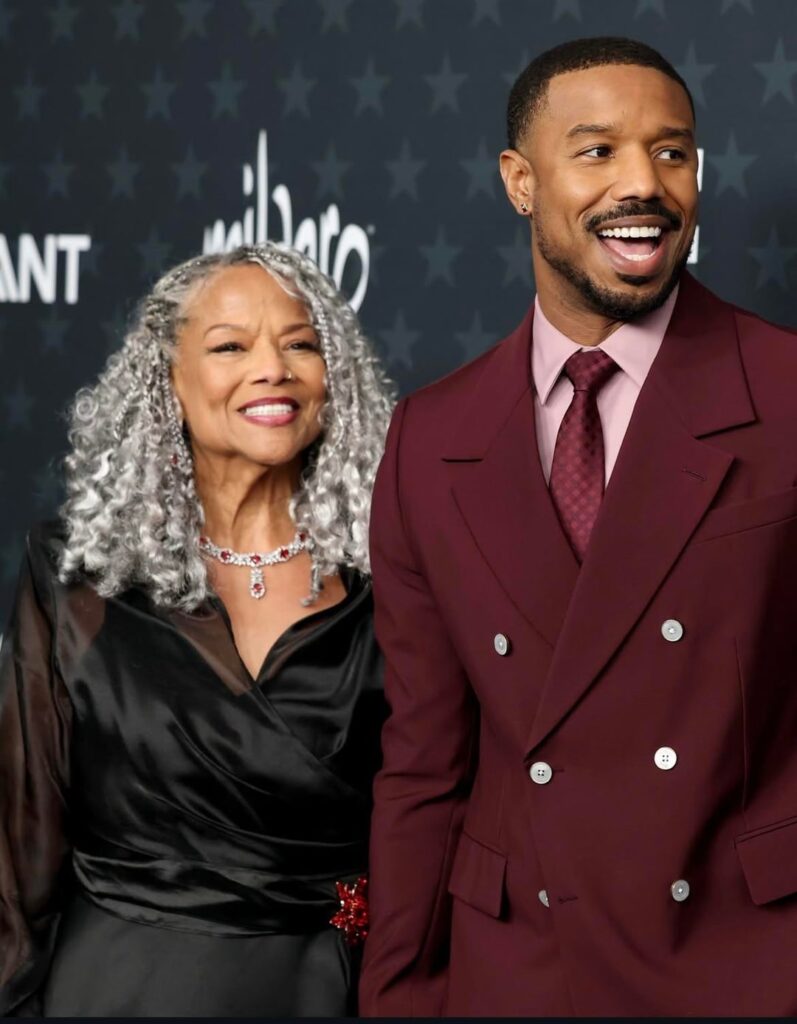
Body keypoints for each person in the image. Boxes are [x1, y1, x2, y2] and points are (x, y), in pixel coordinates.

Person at [360, 36, 797, 1017]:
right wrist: (396, 995)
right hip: (519, 969)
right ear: (519, 181)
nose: (642, 183)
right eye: (596, 151)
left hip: (747, 957)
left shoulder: (784, 393)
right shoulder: (428, 440)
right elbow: (424, 766)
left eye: (672, 152)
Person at [0, 242, 393, 1017]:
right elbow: (18, 852)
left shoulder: (399, 582)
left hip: (316, 995)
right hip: (114, 991)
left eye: (300, 343)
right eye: (229, 346)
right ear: (166, 383)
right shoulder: (77, 578)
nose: (272, 368)